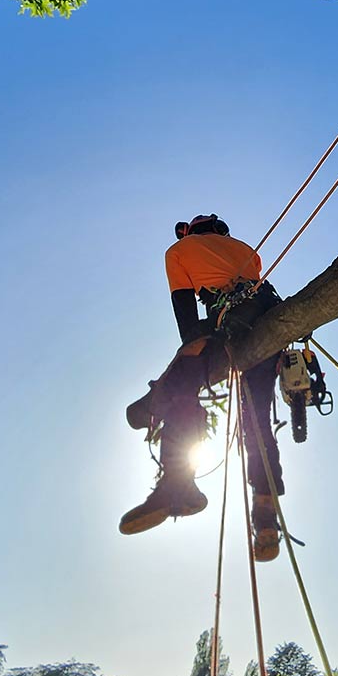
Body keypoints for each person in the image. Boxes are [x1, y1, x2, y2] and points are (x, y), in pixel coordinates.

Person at [120, 214, 285, 561]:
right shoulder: (246, 250)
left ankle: (176, 483)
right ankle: (266, 517)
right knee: (256, 418)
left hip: (228, 319)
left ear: (188, 232)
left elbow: (185, 309)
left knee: (182, 389)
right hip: (267, 316)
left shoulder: (180, 250)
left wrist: (191, 348)